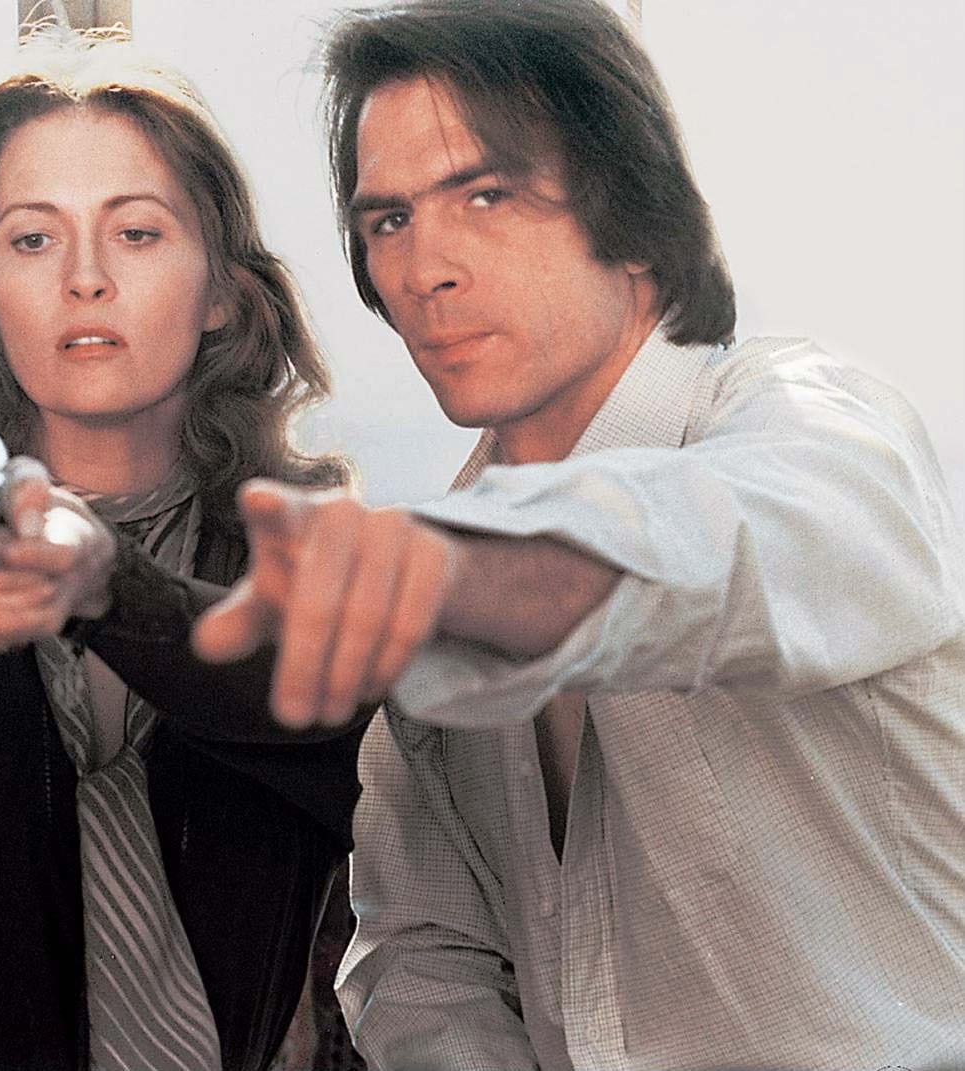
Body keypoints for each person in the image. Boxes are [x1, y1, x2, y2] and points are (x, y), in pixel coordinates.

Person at [192, 0, 965, 1067]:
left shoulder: (811, 417)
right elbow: (418, 951)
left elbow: (734, 541)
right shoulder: (436, 548)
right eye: (390, 220)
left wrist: (455, 576)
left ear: (631, 209)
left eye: (485, 195)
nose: (425, 269)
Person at [0, 30, 367, 1071]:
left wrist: (109, 588)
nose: (85, 278)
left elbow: (301, 682)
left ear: (222, 291)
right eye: (34, 238)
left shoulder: (308, 563)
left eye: (135, 233)